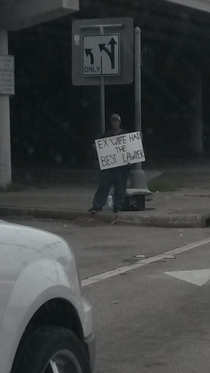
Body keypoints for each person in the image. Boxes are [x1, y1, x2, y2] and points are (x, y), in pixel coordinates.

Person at [89, 113, 130, 213]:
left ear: (119, 122)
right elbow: (103, 149)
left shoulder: (125, 134)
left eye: (116, 121)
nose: (114, 123)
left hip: (121, 168)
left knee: (120, 187)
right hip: (109, 168)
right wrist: (97, 147)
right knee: (103, 186)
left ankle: (118, 205)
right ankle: (97, 205)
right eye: (113, 121)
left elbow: (129, 149)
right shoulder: (107, 134)